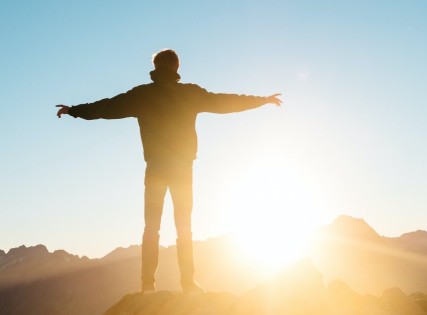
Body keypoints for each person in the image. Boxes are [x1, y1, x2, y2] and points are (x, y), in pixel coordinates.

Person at [56, 49, 282, 294]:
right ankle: (188, 284)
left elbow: (106, 107)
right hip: (183, 168)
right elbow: (227, 102)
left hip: (156, 167)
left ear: (155, 66)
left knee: (151, 227)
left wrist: (73, 110)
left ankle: (147, 285)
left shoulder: (142, 95)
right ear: (176, 67)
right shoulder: (190, 93)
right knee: (184, 226)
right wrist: (262, 100)